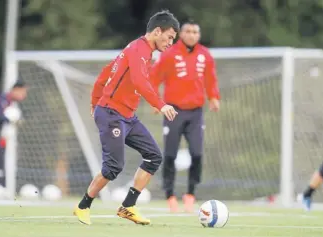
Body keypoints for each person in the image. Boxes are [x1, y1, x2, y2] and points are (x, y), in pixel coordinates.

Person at [73, 10, 180, 226]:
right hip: (112, 114)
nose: (170, 43)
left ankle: (128, 206)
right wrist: (161, 104)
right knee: (113, 168)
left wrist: (95, 103)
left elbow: (104, 75)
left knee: (153, 156)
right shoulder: (139, 49)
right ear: (157, 31)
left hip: (126, 116)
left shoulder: (140, 50)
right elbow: (140, 82)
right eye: (169, 37)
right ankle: (83, 206)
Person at [150, 20, 220, 213]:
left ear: (199, 35)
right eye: (187, 31)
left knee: (196, 154)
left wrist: (213, 97)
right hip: (173, 110)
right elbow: (155, 77)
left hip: (196, 112)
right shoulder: (169, 54)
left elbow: (210, 78)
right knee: (170, 154)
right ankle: (170, 195)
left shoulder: (205, 55)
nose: (191, 35)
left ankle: (190, 193)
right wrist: (156, 101)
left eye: (195, 32)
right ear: (181, 34)